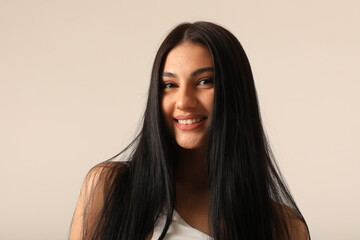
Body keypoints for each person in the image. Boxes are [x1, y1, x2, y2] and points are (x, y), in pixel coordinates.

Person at [69, 21, 310, 240]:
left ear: (236, 93)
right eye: (169, 85)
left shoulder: (285, 227)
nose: (183, 101)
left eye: (205, 81)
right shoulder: (109, 188)